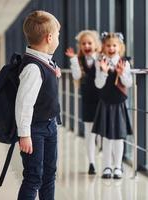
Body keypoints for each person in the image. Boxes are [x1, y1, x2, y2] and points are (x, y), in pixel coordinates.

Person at [15, 10, 61, 200]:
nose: (58, 38)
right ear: (49, 38)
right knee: (34, 177)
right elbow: (24, 104)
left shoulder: (44, 62)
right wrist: (24, 134)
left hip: (49, 126)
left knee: (49, 175)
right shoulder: (33, 68)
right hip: (35, 130)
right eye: (58, 35)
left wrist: (53, 72)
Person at [92, 32, 133, 179]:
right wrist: (103, 72)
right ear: (103, 47)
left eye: (114, 45)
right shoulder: (100, 62)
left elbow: (129, 83)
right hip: (106, 103)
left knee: (119, 138)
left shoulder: (124, 62)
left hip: (119, 104)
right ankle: (106, 167)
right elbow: (98, 84)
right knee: (107, 138)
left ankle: (118, 166)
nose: (111, 48)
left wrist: (121, 74)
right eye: (108, 45)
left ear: (120, 47)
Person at [65, 30, 101, 175]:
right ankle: (91, 162)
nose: (87, 46)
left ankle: (109, 161)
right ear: (80, 46)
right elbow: (77, 76)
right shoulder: (78, 61)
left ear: (96, 44)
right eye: (83, 43)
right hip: (87, 99)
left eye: (89, 43)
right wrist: (73, 60)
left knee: (103, 132)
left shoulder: (101, 58)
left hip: (102, 100)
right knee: (89, 132)